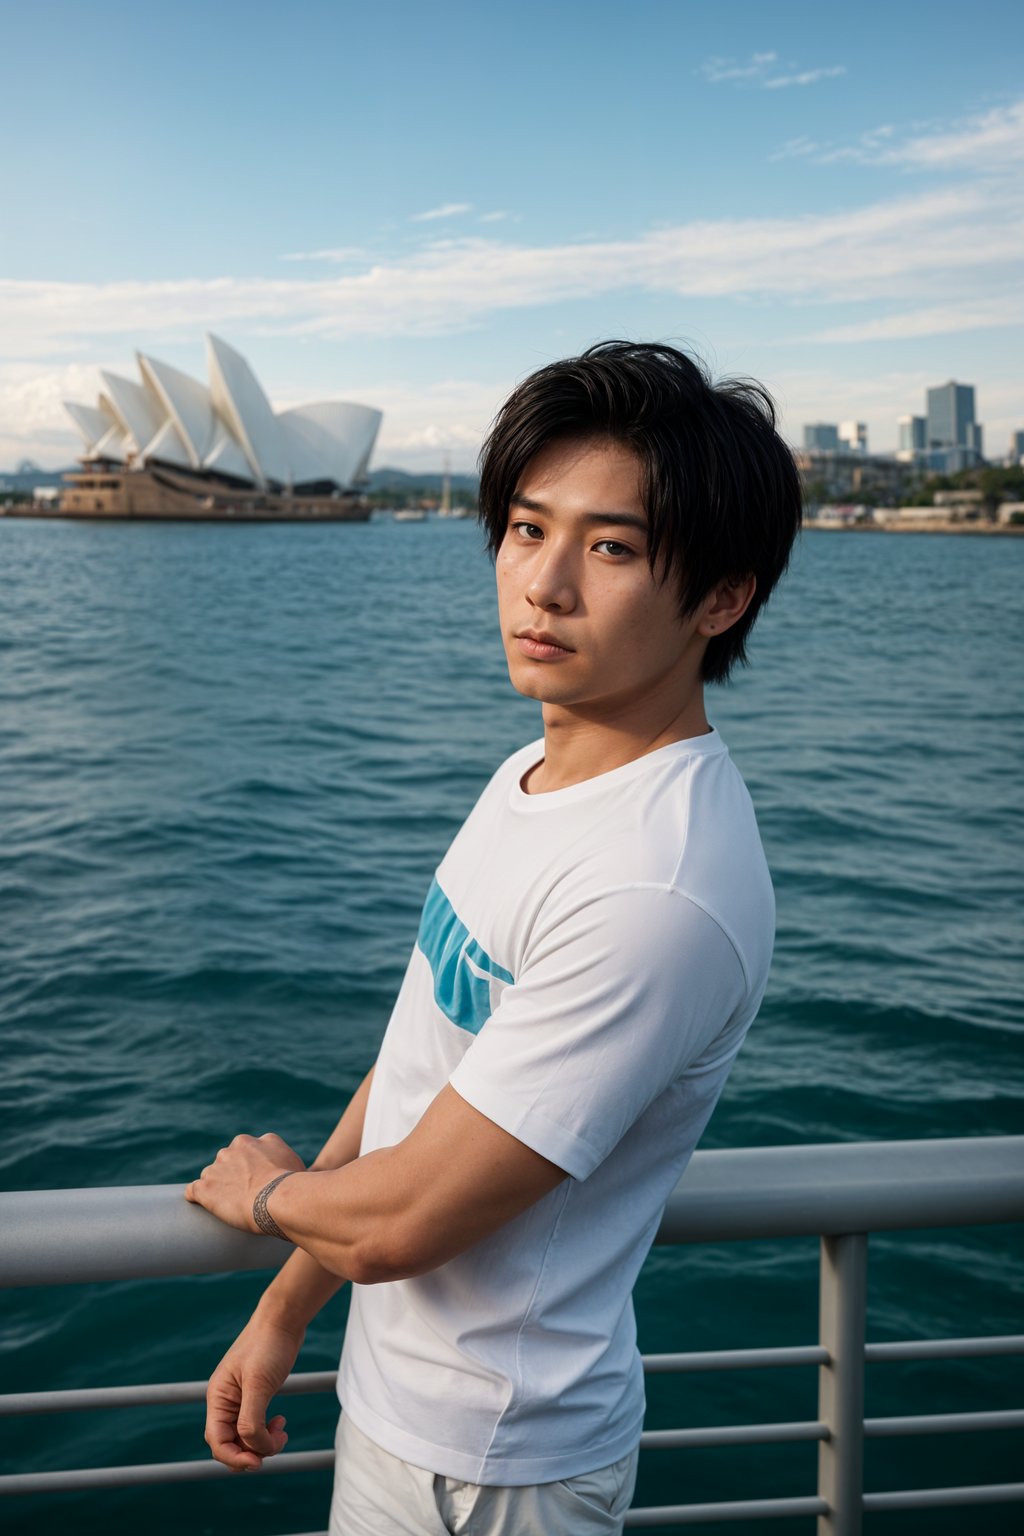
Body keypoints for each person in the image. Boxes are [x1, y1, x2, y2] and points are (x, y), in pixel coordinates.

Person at [185, 339, 802, 1535]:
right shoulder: (533, 767)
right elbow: (425, 1050)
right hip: (399, 1407)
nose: (544, 585)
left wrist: (271, 1198)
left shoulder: (654, 889)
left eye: (611, 547)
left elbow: (407, 1219)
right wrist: (285, 1310)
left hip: (496, 1468)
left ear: (723, 597)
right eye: (527, 529)